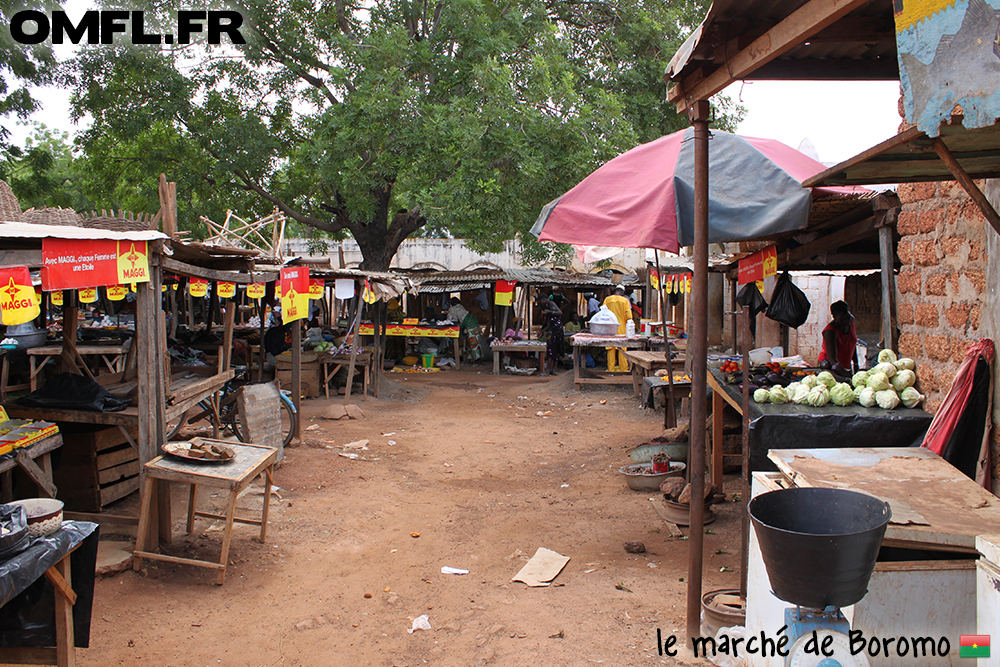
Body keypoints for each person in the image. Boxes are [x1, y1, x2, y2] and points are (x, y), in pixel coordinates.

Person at [818, 300, 859, 375]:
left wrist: (856, 364)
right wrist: (846, 374)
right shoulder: (830, 332)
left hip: (844, 364)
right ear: (834, 317)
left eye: (847, 317)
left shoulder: (851, 320)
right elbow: (833, 360)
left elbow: (852, 343)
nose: (846, 321)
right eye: (842, 319)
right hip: (829, 365)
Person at [601, 286, 632, 372]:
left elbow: (602, 313)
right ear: (622, 292)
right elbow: (629, 316)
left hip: (609, 329)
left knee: (610, 350)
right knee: (622, 350)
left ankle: (611, 371)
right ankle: (623, 371)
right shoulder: (625, 301)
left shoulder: (607, 299)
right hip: (621, 328)